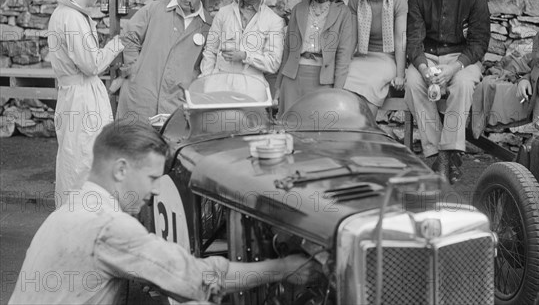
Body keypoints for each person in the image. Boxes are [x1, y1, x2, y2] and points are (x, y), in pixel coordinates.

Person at [9, 120, 317, 305]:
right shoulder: (109, 226)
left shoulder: (73, 207)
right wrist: (282, 268)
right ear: (120, 170)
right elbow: (198, 279)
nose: (155, 190)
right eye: (152, 178)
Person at [405, 0, 491, 184]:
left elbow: (479, 42)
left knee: (463, 84)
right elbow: (413, 41)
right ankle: (437, 155)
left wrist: (454, 68)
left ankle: (446, 154)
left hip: (462, 58)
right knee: (413, 82)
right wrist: (423, 68)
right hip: (428, 57)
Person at [47, 0, 124, 203]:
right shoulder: (72, 19)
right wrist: (116, 44)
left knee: (74, 156)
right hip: (81, 97)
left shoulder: (64, 14)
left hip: (73, 94)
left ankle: (74, 214)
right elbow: (91, 65)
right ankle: (83, 215)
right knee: (84, 158)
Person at [116, 0, 212, 122]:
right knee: (133, 143)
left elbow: (208, 64)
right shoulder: (154, 9)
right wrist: (134, 69)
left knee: (171, 144)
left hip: (177, 103)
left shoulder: (209, 25)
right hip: (141, 98)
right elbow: (129, 35)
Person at [276, 0, 356, 115]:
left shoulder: (343, 13)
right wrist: (278, 87)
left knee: (319, 131)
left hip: (323, 82)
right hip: (293, 79)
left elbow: (343, 57)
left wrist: (337, 93)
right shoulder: (298, 9)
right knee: (290, 130)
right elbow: (287, 51)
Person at [200, 0, 285, 93]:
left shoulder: (274, 21)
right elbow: (210, 50)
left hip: (252, 90)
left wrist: (245, 56)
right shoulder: (223, 13)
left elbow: (273, 63)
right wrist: (207, 80)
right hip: (219, 86)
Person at [343, 0, 408, 116]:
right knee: (344, 81)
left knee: (371, 83)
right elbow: (351, 37)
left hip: (387, 58)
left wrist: (400, 75)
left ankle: (366, 131)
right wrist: (343, 64)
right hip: (362, 55)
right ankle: (346, 131)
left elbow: (401, 39)